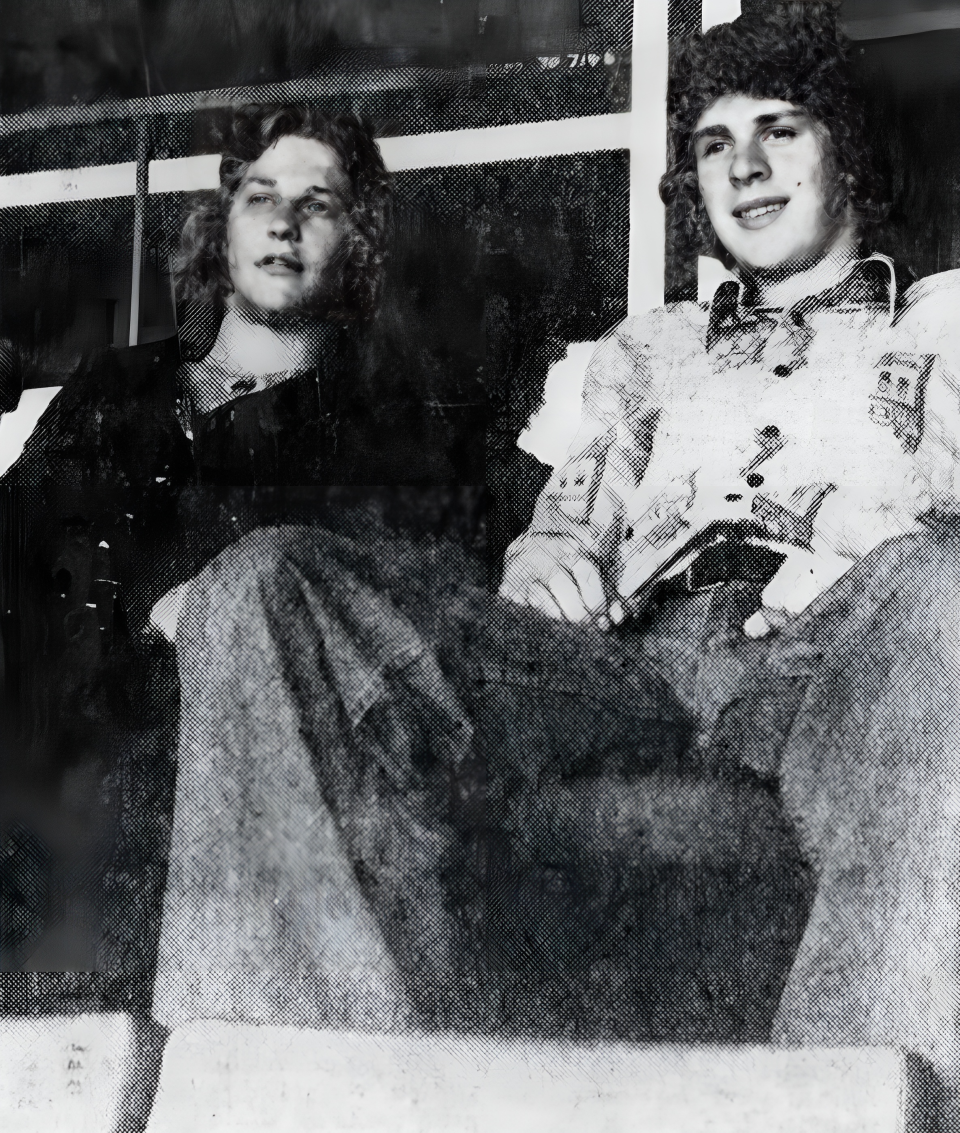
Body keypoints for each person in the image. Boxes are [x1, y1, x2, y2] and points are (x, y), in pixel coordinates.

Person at [119, 4, 960, 1131]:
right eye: (714, 145)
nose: (746, 167)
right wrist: (547, 542)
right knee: (268, 586)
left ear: (844, 152)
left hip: (843, 645)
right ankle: (289, 1100)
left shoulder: (945, 321)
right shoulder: (644, 350)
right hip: (629, 658)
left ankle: (866, 1097)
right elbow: (570, 505)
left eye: (780, 131)